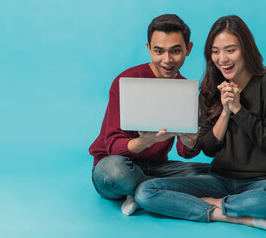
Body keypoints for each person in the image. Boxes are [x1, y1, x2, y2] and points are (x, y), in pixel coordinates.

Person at [134, 15, 266, 233]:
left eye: (230, 50)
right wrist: (225, 112)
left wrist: (239, 109)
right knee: (146, 191)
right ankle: (233, 214)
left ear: (246, 49)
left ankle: (210, 205)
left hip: (261, 182)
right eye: (215, 51)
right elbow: (209, 149)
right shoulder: (210, 88)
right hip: (219, 180)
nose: (222, 59)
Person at [89, 14, 210, 216]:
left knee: (210, 172)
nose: (167, 60)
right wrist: (146, 141)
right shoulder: (126, 80)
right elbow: (112, 145)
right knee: (114, 172)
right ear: (149, 49)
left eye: (176, 51)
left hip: (156, 168)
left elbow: (184, 152)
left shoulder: (185, 90)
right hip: (117, 165)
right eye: (159, 51)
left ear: (188, 49)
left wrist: (191, 141)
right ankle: (156, 190)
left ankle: (143, 193)